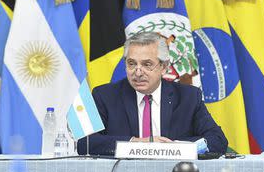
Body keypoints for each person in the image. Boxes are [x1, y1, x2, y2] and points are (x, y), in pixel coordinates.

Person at [77, 32, 228, 155]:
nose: (138, 72)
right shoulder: (104, 95)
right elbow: (85, 143)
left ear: (164, 67)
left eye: (147, 64)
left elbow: (218, 140)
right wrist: (135, 143)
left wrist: (176, 148)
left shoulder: (188, 97)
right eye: (131, 63)